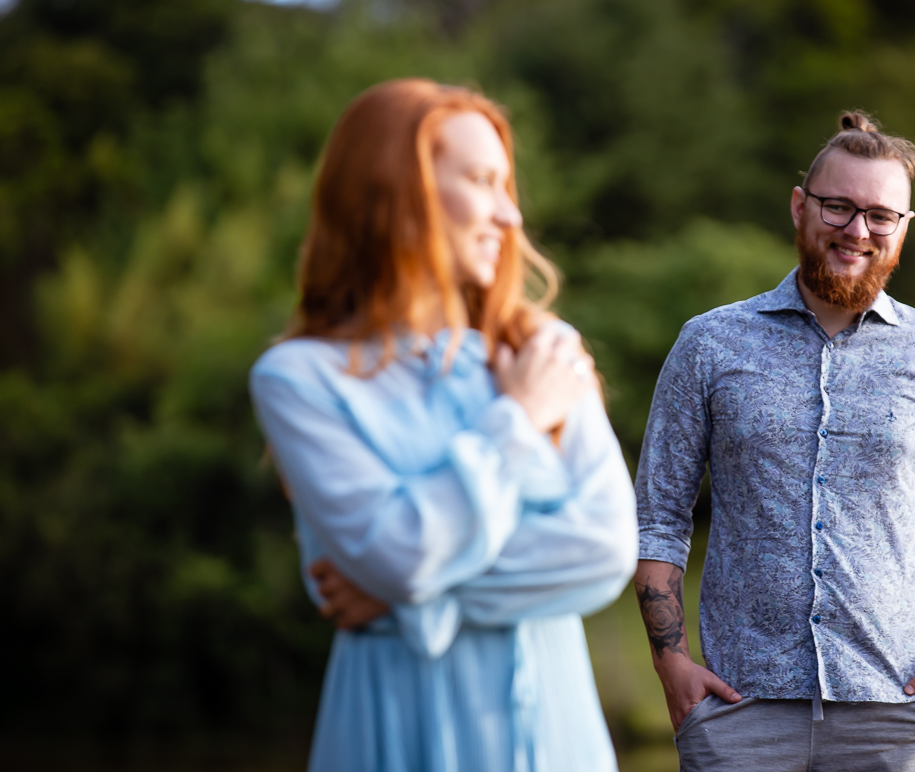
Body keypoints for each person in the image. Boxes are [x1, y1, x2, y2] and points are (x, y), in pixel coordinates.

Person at [249, 79, 638, 772]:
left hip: (556, 736)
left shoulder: (544, 351)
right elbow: (401, 555)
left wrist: (407, 600)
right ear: (400, 193)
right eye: (483, 182)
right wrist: (516, 419)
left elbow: (605, 552)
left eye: (506, 184)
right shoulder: (299, 379)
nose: (509, 215)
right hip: (396, 730)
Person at [634, 111, 915, 771]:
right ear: (799, 206)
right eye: (837, 207)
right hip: (738, 716)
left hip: (898, 718)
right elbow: (657, 518)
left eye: (880, 215)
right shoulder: (708, 344)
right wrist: (670, 662)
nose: (857, 229)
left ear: (903, 229)